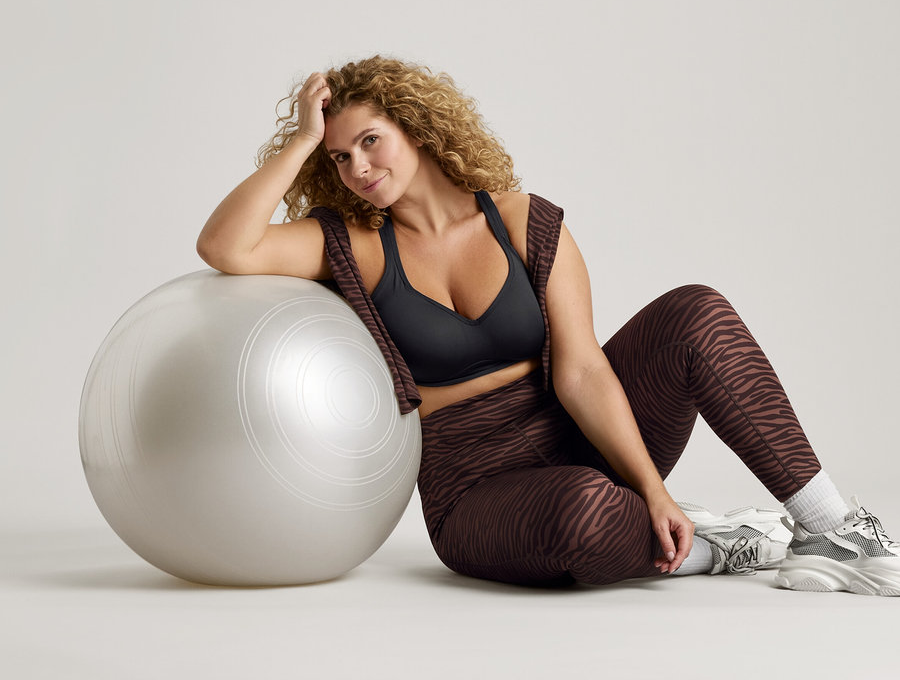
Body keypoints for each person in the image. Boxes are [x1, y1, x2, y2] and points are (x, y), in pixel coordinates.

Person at [197, 56, 900, 594]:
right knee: (581, 515)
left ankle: (832, 532)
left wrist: (653, 489)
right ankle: (717, 549)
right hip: (476, 486)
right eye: (339, 157)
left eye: (370, 141)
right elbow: (226, 247)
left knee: (697, 311)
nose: (357, 167)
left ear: (415, 124)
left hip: (579, 434)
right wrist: (300, 141)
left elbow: (583, 369)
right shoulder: (350, 244)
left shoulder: (522, 220)